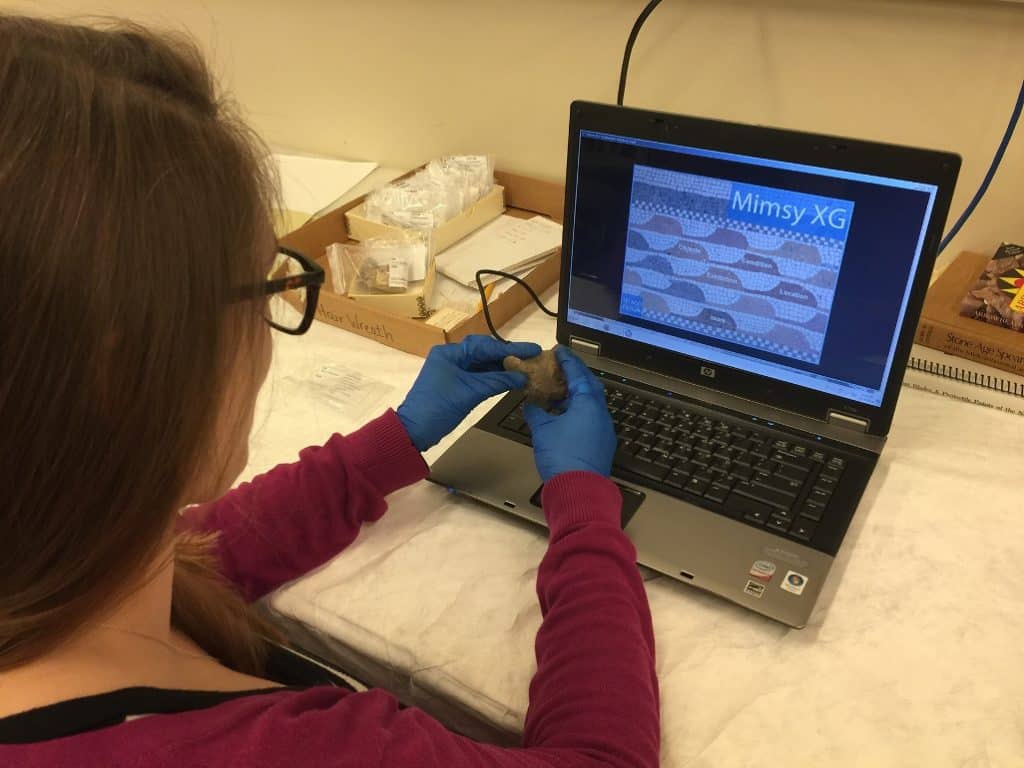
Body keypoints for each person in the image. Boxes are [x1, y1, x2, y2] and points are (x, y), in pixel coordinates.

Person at [0, 15, 659, 767]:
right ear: (125, 375)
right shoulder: (307, 750)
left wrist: (395, 439)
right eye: (264, 286)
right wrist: (583, 508)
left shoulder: (58, 565)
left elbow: (192, 556)